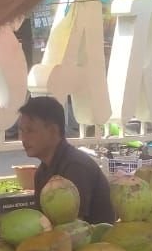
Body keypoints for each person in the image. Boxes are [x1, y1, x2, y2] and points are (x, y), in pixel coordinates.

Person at [16, 96, 115, 224]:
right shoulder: (42, 172)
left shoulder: (76, 167)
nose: (23, 138)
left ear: (53, 131)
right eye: (21, 130)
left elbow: (74, 228)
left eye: (30, 130)